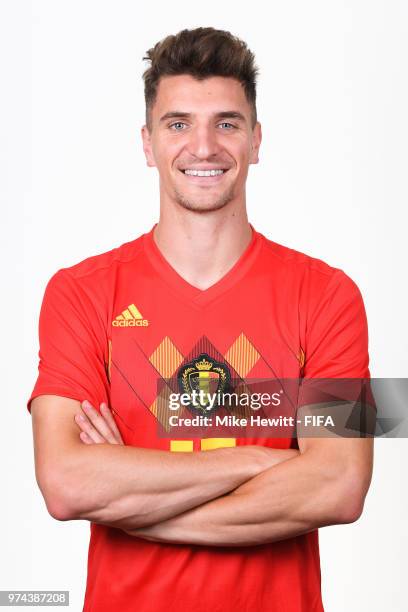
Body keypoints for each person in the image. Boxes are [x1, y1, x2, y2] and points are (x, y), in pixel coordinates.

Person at [27, 27, 373, 612]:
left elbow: (340, 488)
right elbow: (65, 484)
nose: (204, 147)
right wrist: (263, 459)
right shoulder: (80, 293)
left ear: (257, 139)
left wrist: (135, 507)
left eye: (227, 123)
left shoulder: (331, 296)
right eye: (179, 123)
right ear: (147, 142)